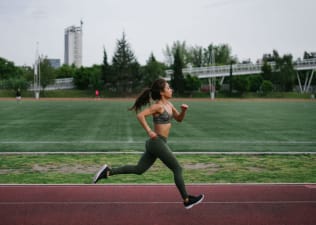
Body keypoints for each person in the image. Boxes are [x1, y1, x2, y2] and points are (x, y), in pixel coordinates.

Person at [93, 78, 204, 209]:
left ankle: (107, 172)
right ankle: (186, 199)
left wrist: (184, 111)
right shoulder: (158, 106)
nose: (171, 90)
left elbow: (179, 119)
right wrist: (149, 131)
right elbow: (140, 115)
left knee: (139, 170)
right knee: (177, 168)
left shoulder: (169, 105)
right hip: (156, 142)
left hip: (158, 143)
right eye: (168, 88)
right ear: (162, 92)